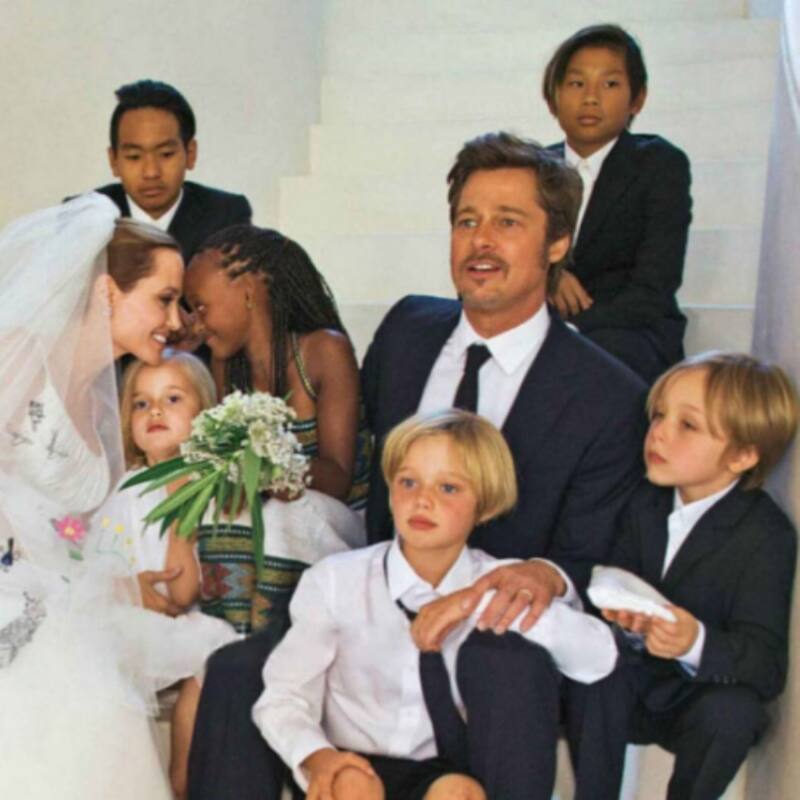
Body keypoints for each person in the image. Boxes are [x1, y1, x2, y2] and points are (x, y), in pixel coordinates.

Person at [254, 409, 618, 800]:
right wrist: (318, 758)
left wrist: (470, 602)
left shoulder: (498, 582)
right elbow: (283, 697)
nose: (422, 500)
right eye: (408, 482)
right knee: (354, 787)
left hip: (441, 771)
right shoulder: (335, 580)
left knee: (459, 793)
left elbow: (598, 657)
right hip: (350, 761)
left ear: (485, 505)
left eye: (448, 488)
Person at [0, 194, 232, 799]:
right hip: (10, 586)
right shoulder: (18, 354)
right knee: (81, 679)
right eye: (164, 299)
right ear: (106, 292)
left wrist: (115, 579)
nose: (176, 321)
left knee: (208, 646)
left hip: (66, 588)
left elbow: (73, 526)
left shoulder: (109, 401)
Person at [184, 225, 370, 799]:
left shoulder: (322, 350)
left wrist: (274, 473)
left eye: (200, 305)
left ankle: (264, 646)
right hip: (265, 521)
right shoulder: (228, 368)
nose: (196, 322)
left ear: (247, 287)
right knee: (224, 518)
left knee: (280, 518)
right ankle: (231, 648)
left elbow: (338, 473)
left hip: (330, 519)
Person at [566, 352, 799, 800]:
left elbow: (766, 664)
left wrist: (694, 641)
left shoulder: (764, 534)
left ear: (743, 455)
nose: (659, 433)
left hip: (693, 695)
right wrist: (623, 620)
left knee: (734, 713)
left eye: (687, 425)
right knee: (594, 670)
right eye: (659, 415)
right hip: (622, 683)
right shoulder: (639, 499)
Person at [97, 350, 238, 798]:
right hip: (125, 617)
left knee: (211, 650)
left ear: (205, 415)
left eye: (172, 399)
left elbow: (180, 592)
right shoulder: (126, 488)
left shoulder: (208, 484)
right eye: (141, 403)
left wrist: (184, 512)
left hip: (177, 618)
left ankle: (181, 778)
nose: (155, 411)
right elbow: (101, 563)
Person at [543, 24, 692, 383]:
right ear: (553, 97)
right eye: (576, 83)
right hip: (540, 321)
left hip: (629, 332)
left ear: (637, 99)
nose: (590, 98)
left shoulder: (659, 164)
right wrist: (549, 275)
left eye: (609, 84)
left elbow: (653, 289)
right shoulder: (530, 169)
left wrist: (565, 328)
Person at [95, 79, 252, 263]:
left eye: (166, 154)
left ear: (190, 154)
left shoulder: (226, 216)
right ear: (114, 161)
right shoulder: (85, 216)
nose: (151, 172)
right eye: (134, 157)